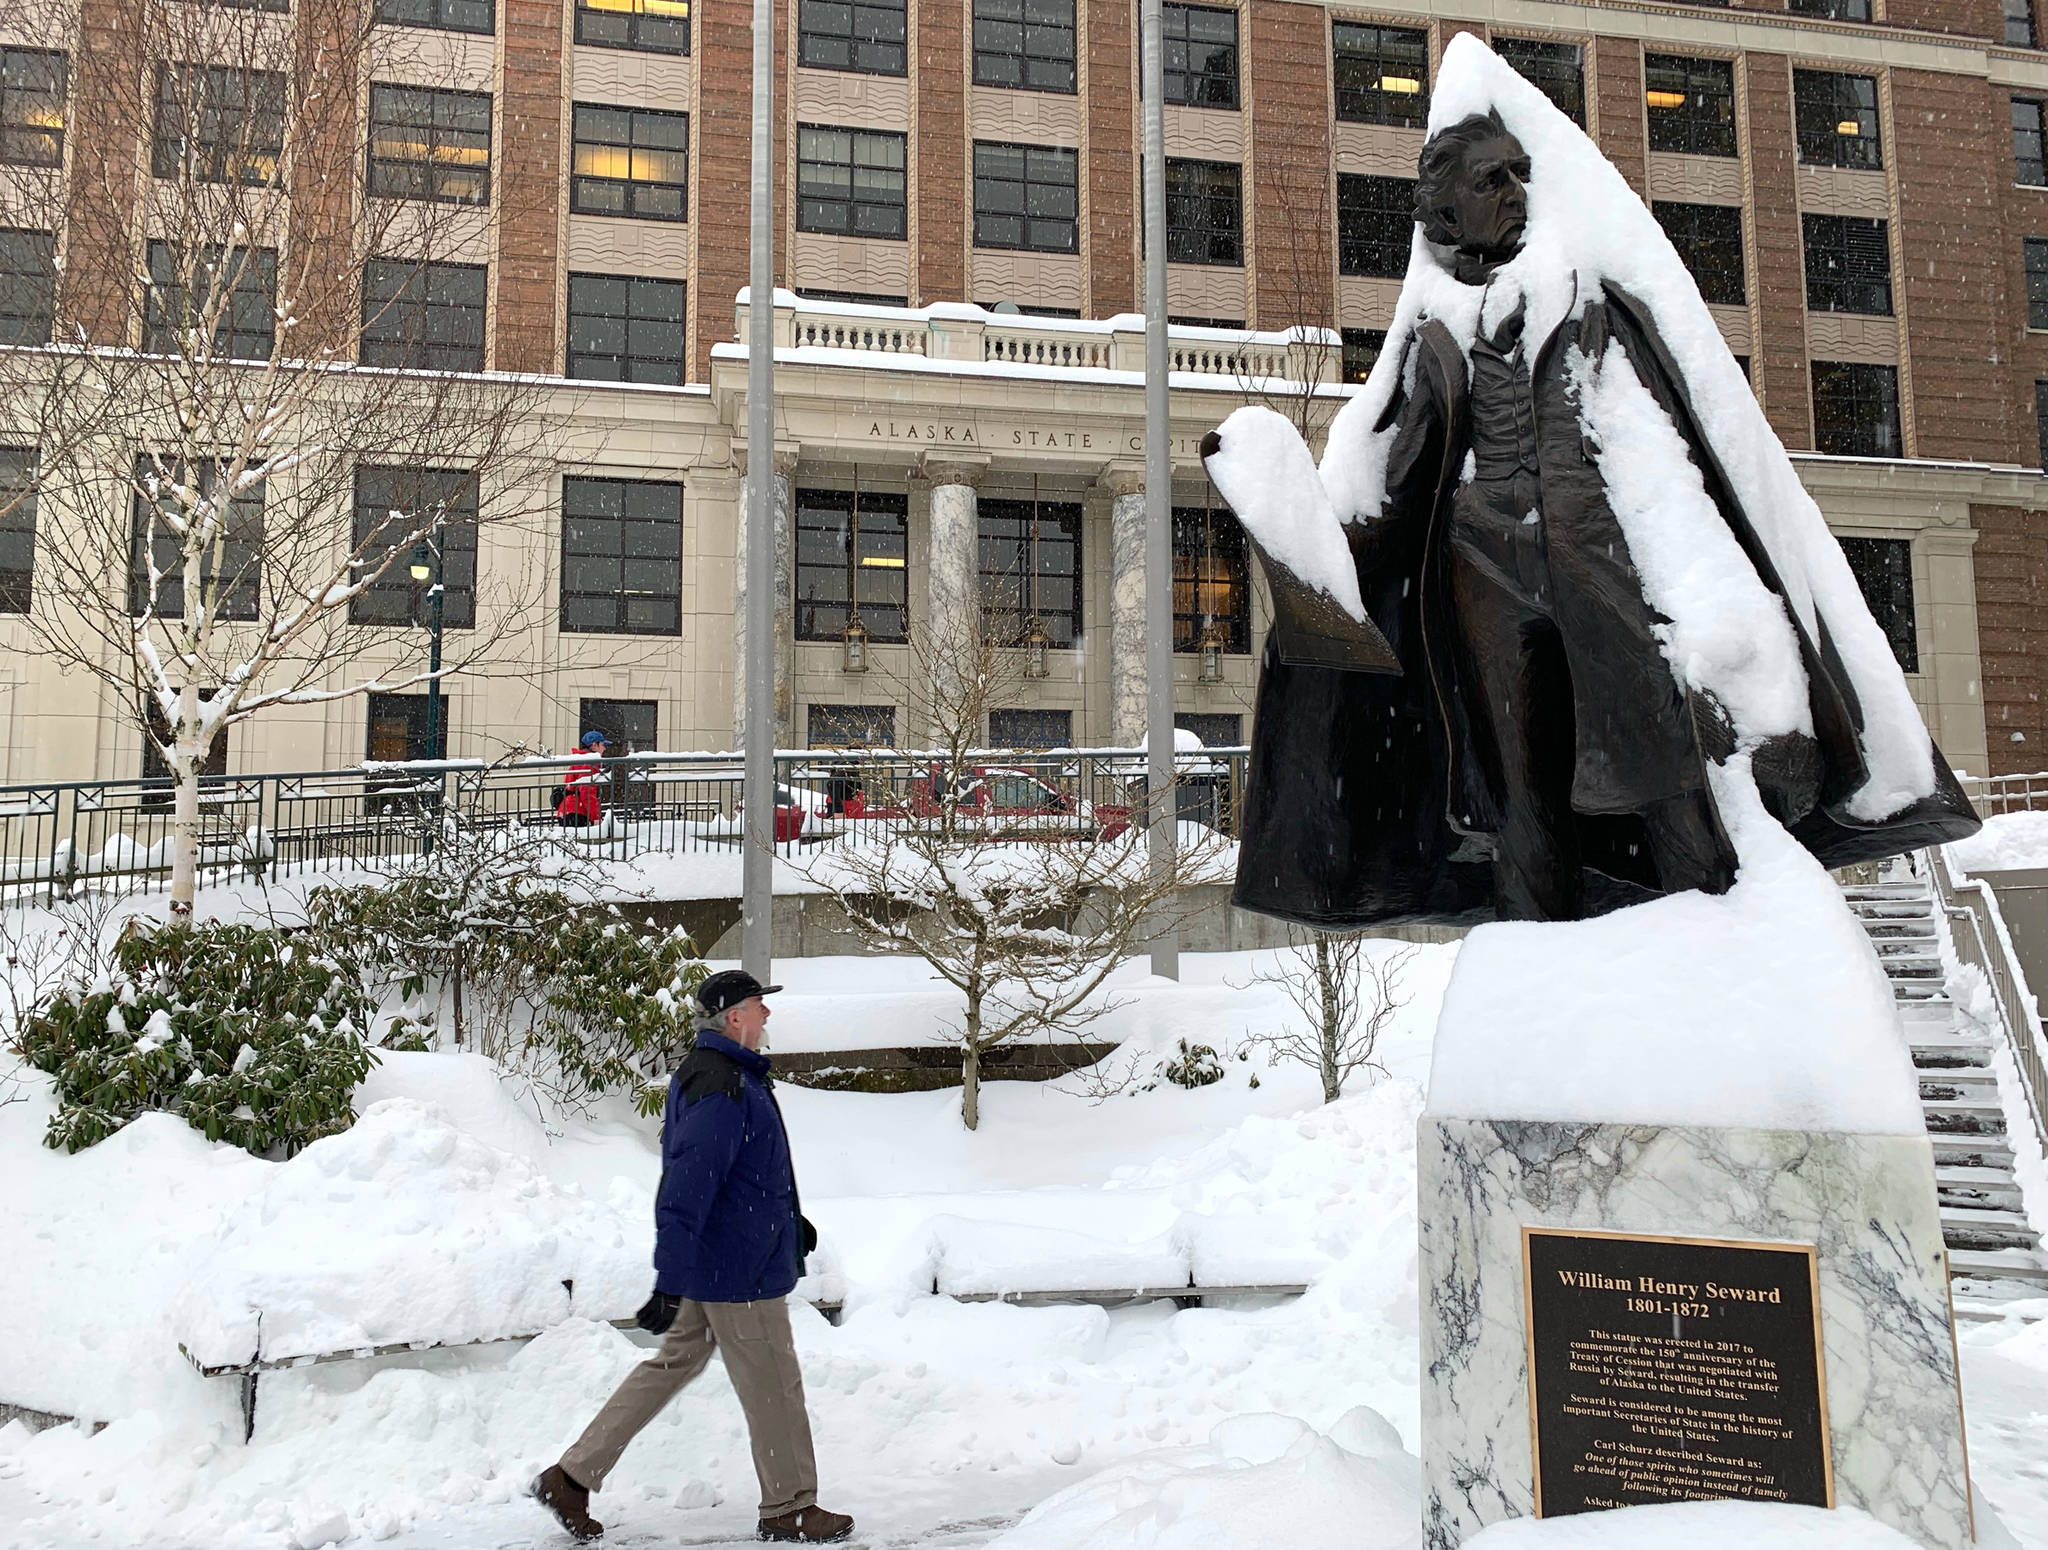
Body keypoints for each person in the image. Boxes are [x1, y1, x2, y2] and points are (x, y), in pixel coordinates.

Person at [1199, 77, 1976, 929]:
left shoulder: (1585, 293)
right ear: (1444, 205)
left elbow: (1681, 451)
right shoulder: (1430, 332)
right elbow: (1382, 481)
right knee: (1517, 788)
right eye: (1492, 179)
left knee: (1668, 758)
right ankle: (1542, 964)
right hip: (1482, 567)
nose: (1515, 193)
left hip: (1594, 552)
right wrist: (1287, 516)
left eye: (1519, 174)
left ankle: (1721, 940)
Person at [532, 970, 853, 1545]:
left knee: (671, 1364)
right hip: (738, 1274)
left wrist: (785, 1222)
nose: (766, 1015)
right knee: (774, 1384)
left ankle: (571, 1475)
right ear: (734, 1016)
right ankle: (789, 1507)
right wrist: (669, 1279)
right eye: (759, 1005)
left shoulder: (725, 1077)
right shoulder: (721, 1083)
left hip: (728, 1257)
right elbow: (686, 1186)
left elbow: (736, 1176)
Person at [554, 730, 611, 828]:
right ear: (594, 745)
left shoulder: (578, 759)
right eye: (603, 745)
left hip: (567, 808)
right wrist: (596, 817)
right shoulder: (590, 763)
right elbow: (587, 791)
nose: (605, 748)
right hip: (577, 811)